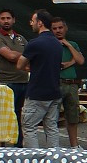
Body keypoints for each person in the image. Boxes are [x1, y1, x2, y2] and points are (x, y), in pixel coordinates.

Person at [15, 10, 63, 148]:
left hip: (37, 92)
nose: (31, 23)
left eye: (32, 20)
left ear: (40, 23)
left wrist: (28, 66)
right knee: (52, 127)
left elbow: (20, 65)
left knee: (29, 127)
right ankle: (55, 159)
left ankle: (33, 162)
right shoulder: (57, 44)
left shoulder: (34, 43)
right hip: (54, 91)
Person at [0, 9, 28, 143]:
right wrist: (22, 56)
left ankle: (19, 146)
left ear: (14, 20)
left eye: (8, 18)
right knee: (8, 117)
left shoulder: (21, 38)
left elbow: (30, 56)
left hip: (24, 81)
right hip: (7, 82)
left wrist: (18, 55)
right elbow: (10, 56)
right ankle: (9, 149)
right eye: (3, 18)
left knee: (21, 116)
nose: (6, 21)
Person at [51, 17, 85, 147]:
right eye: (55, 28)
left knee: (73, 115)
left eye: (60, 28)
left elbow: (80, 60)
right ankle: (53, 146)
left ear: (65, 28)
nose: (58, 31)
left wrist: (68, 45)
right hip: (56, 83)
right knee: (52, 115)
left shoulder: (73, 44)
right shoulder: (50, 44)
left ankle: (74, 145)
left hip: (71, 84)